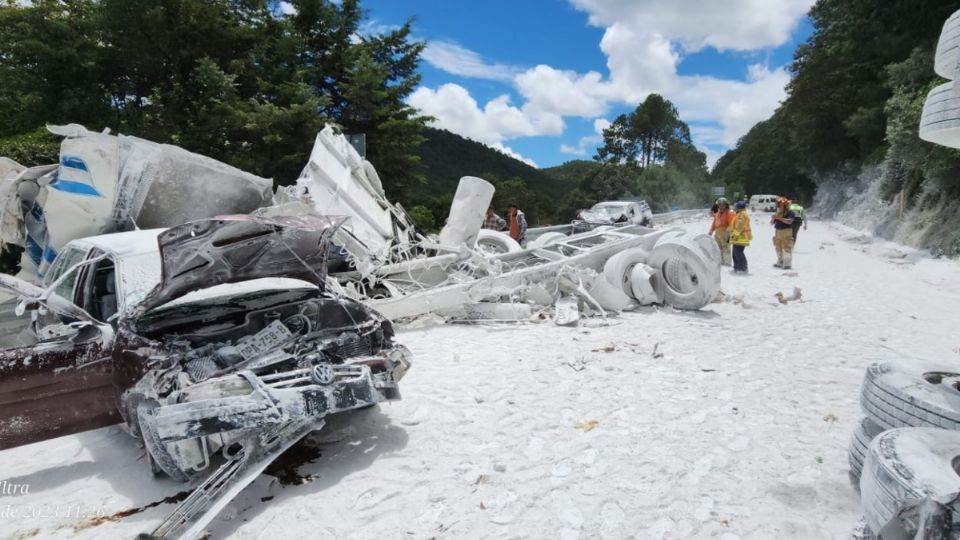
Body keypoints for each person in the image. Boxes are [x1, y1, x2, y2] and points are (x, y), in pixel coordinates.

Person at [771, 197, 796, 269]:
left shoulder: (790, 213)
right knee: (778, 247)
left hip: (786, 231)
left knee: (787, 247)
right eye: (778, 205)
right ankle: (780, 261)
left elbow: (790, 221)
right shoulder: (778, 213)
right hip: (778, 231)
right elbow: (772, 223)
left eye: (780, 205)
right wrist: (773, 218)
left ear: (785, 205)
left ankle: (787, 264)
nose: (778, 206)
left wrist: (779, 218)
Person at [728, 200, 752, 273]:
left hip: (741, 237)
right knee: (735, 253)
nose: (735, 208)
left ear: (739, 207)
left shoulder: (742, 214)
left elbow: (740, 226)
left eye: (736, 207)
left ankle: (743, 268)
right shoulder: (739, 214)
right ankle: (737, 267)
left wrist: (734, 235)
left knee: (738, 252)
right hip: (738, 237)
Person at [709, 197, 734, 266]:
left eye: (723, 205)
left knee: (726, 248)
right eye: (720, 205)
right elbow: (714, 223)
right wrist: (711, 231)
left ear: (726, 205)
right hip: (718, 233)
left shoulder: (729, 213)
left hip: (726, 233)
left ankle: (728, 262)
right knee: (718, 248)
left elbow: (732, 223)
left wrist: (728, 231)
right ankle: (721, 261)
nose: (721, 206)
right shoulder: (717, 214)